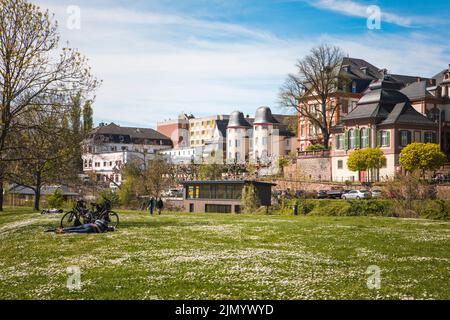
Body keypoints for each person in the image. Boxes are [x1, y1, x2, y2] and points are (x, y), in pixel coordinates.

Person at [46, 219, 113, 234]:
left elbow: (95, 221)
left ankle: (59, 230)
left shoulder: (103, 225)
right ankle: (61, 230)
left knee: (75, 229)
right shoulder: (104, 228)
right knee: (75, 230)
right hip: (90, 228)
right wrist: (96, 226)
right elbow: (99, 231)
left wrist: (94, 224)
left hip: (89, 226)